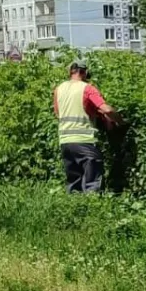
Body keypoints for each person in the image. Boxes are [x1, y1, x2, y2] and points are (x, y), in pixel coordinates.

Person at [53, 60, 123, 194]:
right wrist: (120, 121)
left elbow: (58, 114)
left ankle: (75, 210)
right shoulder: (87, 88)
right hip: (84, 140)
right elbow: (106, 110)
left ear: (70, 72)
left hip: (65, 142)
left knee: (74, 184)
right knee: (92, 184)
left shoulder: (59, 89)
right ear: (85, 72)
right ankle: (93, 209)